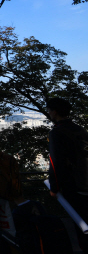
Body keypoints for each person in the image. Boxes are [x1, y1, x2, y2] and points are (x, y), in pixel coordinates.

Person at [47, 97, 88, 252]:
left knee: (81, 225)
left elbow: (56, 162)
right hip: (85, 180)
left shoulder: (57, 133)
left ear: (55, 112)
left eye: (50, 110)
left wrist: (54, 187)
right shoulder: (80, 129)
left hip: (73, 184)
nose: (49, 112)